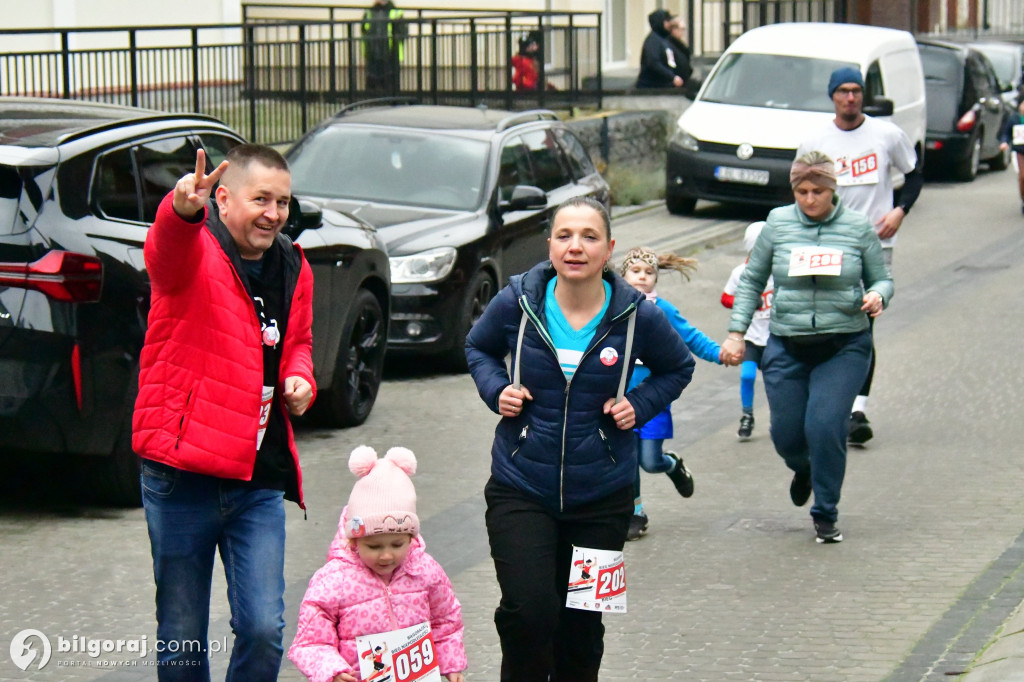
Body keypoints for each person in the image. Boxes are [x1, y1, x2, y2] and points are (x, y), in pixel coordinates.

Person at [465, 196, 695, 681]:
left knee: (582, 628)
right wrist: (496, 389)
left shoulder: (636, 315)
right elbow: (479, 348)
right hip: (520, 486)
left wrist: (641, 404)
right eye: (564, 235)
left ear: (608, 248)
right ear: (549, 244)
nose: (576, 247)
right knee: (528, 613)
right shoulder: (518, 302)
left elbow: (679, 366)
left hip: (604, 496)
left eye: (589, 237)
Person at [133, 144, 316, 680]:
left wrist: (299, 377)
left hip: (257, 478)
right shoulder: (195, 250)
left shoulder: (293, 263)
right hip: (182, 476)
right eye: (261, 199)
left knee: (263, 629)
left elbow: (297, 341)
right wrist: (179, 210)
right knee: (183, 637)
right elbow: (164, 251)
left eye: (282, 202)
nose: (274, 213)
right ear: (223, 198)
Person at [720, 151, 894, 544]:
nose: (810, 198)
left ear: (833, 190)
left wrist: (879, 296)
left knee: (824, 425)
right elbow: (751, 281)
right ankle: (805, 469)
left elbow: (882, 279)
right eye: (802, 190)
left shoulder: (856, 227)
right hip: (786, 342)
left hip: (843, 344)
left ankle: (825, 511)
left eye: (818, 190)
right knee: (786, 434)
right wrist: (736, 332)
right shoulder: (778, 225)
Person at [797, 66, 922, 445]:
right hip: (828, 246)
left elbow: (914, 174)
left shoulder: (886, 134)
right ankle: (821, 403)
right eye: (843, 91)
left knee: (863, 326)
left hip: (874, 246)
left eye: (856, 91)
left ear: (863, 95)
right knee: (822, 323)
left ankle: (857, 411)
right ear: (832, 96)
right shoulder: (816, 139)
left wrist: (900, 211)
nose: (850, 98)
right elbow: (801, 191)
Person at [288, 446, 467, 682]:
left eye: (396, 545)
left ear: (411, 538)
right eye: (373, 547)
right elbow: (312, 640)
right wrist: (333, 670)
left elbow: (446, 622)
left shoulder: (425, 571)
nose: (386, 556)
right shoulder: (334, 580)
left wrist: (451, 664)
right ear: (353, 539)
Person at [619, 246, 731, 541]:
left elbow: (691, 336)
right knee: (628, 460)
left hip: (653, 399)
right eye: (636, 271)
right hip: (619, 401)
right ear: (623, 275)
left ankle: (672, 465)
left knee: (650, 462)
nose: (642, 277)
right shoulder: (610, 307)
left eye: (649, 273)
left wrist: (719, 354)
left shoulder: (662, 310)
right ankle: (636, 513)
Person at [721, 221, 774, 441]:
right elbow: (725, 297)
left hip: (775, 337)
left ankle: (779, 418)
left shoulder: (779, 271)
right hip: (752, 337)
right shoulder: (740, 273)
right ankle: (747, 415)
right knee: (747, 375)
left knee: (775, 381)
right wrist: (745, 302)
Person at [362, 0, 406, 93]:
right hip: (373, 53)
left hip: (391, 53)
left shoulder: (396, 12)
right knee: (373, 81)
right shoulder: (369, 12)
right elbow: (364, 29)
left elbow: (402, 32)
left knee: (390, 82)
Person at [635, 9, 685, 90]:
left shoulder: (663, 40)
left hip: (664, 86)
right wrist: (672, 77)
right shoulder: (653, 41)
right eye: (667, 21)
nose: (669, 24)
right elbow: (653, 63)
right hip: (652, 88)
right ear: (660, 22)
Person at [998, 94, 1024, 215]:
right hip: (1020, 151)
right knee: (1022, 176)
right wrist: (1004, 142)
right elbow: (1006, 133)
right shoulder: (1014, 119)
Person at [666, 16, 697, 98]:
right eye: (681, 29)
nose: (682, 32)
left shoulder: (680, 45)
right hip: (677, 83)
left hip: (684, 80)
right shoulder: (669, 45)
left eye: (684, 29)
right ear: (674, 29)